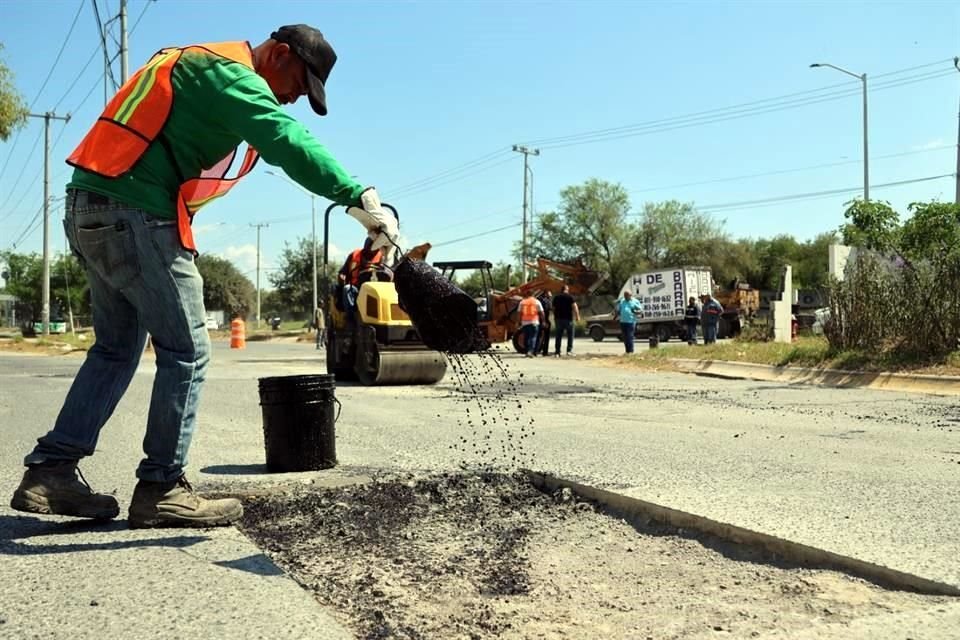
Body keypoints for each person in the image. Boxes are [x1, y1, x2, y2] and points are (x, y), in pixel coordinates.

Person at [10, 25, 398, 528]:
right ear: (279, 55)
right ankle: (162, 486)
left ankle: (52, 471)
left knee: (115, 349)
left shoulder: (198, 63)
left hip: (90, 206)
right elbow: (283, 138)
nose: (292, 100)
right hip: (137, 212)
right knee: (187, 349)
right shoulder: (230, 75)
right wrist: (354, 195)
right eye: (297, 86)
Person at [338, 237, 384, 320]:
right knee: (347, 289)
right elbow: (343, 272)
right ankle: (351, 319)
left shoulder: (381, 257)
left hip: (374, 289)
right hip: (356, 288)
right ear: (366, 246)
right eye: (371, 247)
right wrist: (341, 276)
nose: (372, 251)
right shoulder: (354, 255)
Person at [552, 284, 580, 356]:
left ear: (561, 290)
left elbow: (553, 308)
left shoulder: (556, 297)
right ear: (567, 290)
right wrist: (577, 316)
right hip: (568, 319)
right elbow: (575, 307)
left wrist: (555, 316)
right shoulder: (570, 297)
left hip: (558, 319)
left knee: (558, 335)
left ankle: (557, 352)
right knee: (570, 335)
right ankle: (569, 351)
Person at [518, 293, 544, 358]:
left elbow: (519, 313)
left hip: (525, 323)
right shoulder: (536, 301)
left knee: (526, 338)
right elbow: (542, 312)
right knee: (533, 337)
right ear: (533, 295)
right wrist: (543, 321)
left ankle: (527, 351)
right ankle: (530, 351)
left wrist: (518, 322)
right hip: (534, 322)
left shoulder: (522, 302)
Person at [536, 290, 553, 356]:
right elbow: (548, 309)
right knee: (546, 337)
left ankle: (535, 351)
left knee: (538, 336)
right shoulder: (546, 300)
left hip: (537, 320)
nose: (551, 295)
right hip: (544, 320)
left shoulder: (538, 300)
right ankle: (545, 352)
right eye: (550, 293)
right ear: (546, 293)